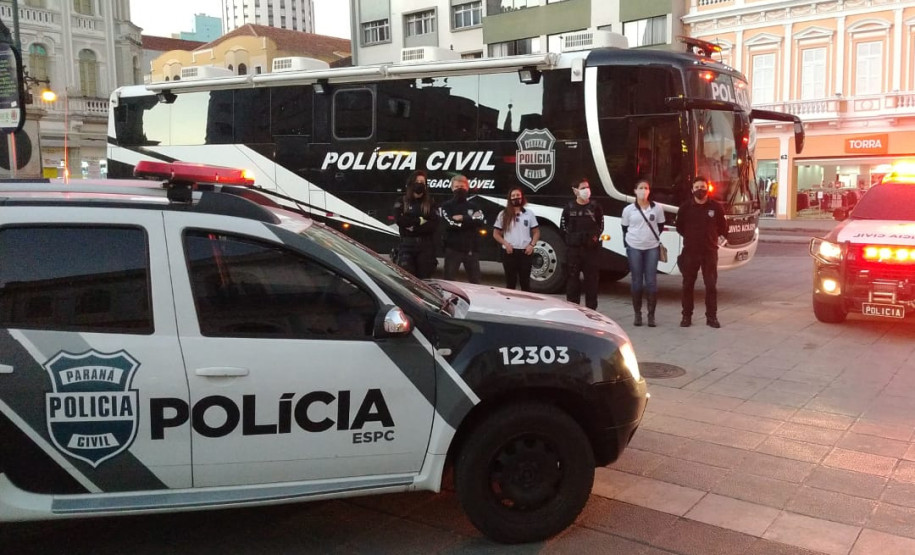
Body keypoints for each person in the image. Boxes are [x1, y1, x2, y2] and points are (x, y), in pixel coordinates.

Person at [676, 176, 728, 328]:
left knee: (711, 285)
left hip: (709, 252)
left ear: (708, 188)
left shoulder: (716, 207)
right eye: (697, 187)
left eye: (703, 187)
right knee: (687, 285)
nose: (700, 190)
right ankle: (686, 316)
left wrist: (711, 238)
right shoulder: (685, 208)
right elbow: (680, 227)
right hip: (690, 252)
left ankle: (711, 317)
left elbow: (722, 226)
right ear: (692, 190)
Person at [621, 179, 665, 327]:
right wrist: (629, 243)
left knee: (651, 281)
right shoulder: (628, 210)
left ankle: (651, 315)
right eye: (640, 188)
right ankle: (637, 314)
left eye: (646, 188)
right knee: (636, 280)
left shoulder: (657, 208)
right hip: (634, 247)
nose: (643, 190)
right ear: (635, 191)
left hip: (652, 247)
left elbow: (660, 225)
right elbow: (625, 228)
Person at [560, 178, 604, 310]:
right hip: (574, 251)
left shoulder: (596, 207)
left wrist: (593, 239)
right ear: (575, 191)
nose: (586, 190)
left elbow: (600, 226)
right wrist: (574, 240)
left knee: (591, 282)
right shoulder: (569, 208)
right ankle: (573, 309)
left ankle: (591, 311)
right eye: (583, 187)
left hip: (591, 251)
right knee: (572, 281)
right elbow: (563, 227)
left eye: (587, 187)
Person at [391, 170, 438, 278]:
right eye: (417, 181)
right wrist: (421, 220)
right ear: (411, 183)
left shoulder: (430, 203)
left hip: (425, 248)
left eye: (422, 182)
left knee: (424, 278)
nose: (420, 184)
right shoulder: (402, 201)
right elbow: (400, 221)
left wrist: (413, 227)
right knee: (407, 279)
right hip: (406, 246)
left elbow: (433, 224)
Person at [493, 187, 540, 291]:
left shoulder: (529, 214)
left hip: (525, 252)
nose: (516, 198)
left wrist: (532, 245)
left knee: (525, 283)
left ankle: (526, 305)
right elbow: (496, 234)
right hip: (510, 252)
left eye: (518, 195)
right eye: (513, 196)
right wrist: (505, 244)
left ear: (522, 197)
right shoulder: (503, 214)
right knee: (510, 283)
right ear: (509, 198)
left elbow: (536, 232)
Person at [440, 174, 484, 283]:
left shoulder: (474, 205)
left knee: (476, 282)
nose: (460, 189)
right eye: (457, 187)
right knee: (449, 281)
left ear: (467, 188)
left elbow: (481, 221)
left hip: (471, 249)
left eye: (462, 187)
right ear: (452, 188)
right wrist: (471, 220)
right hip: (453, 249)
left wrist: (463, 218)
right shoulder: (446, 206)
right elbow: (448, 223)